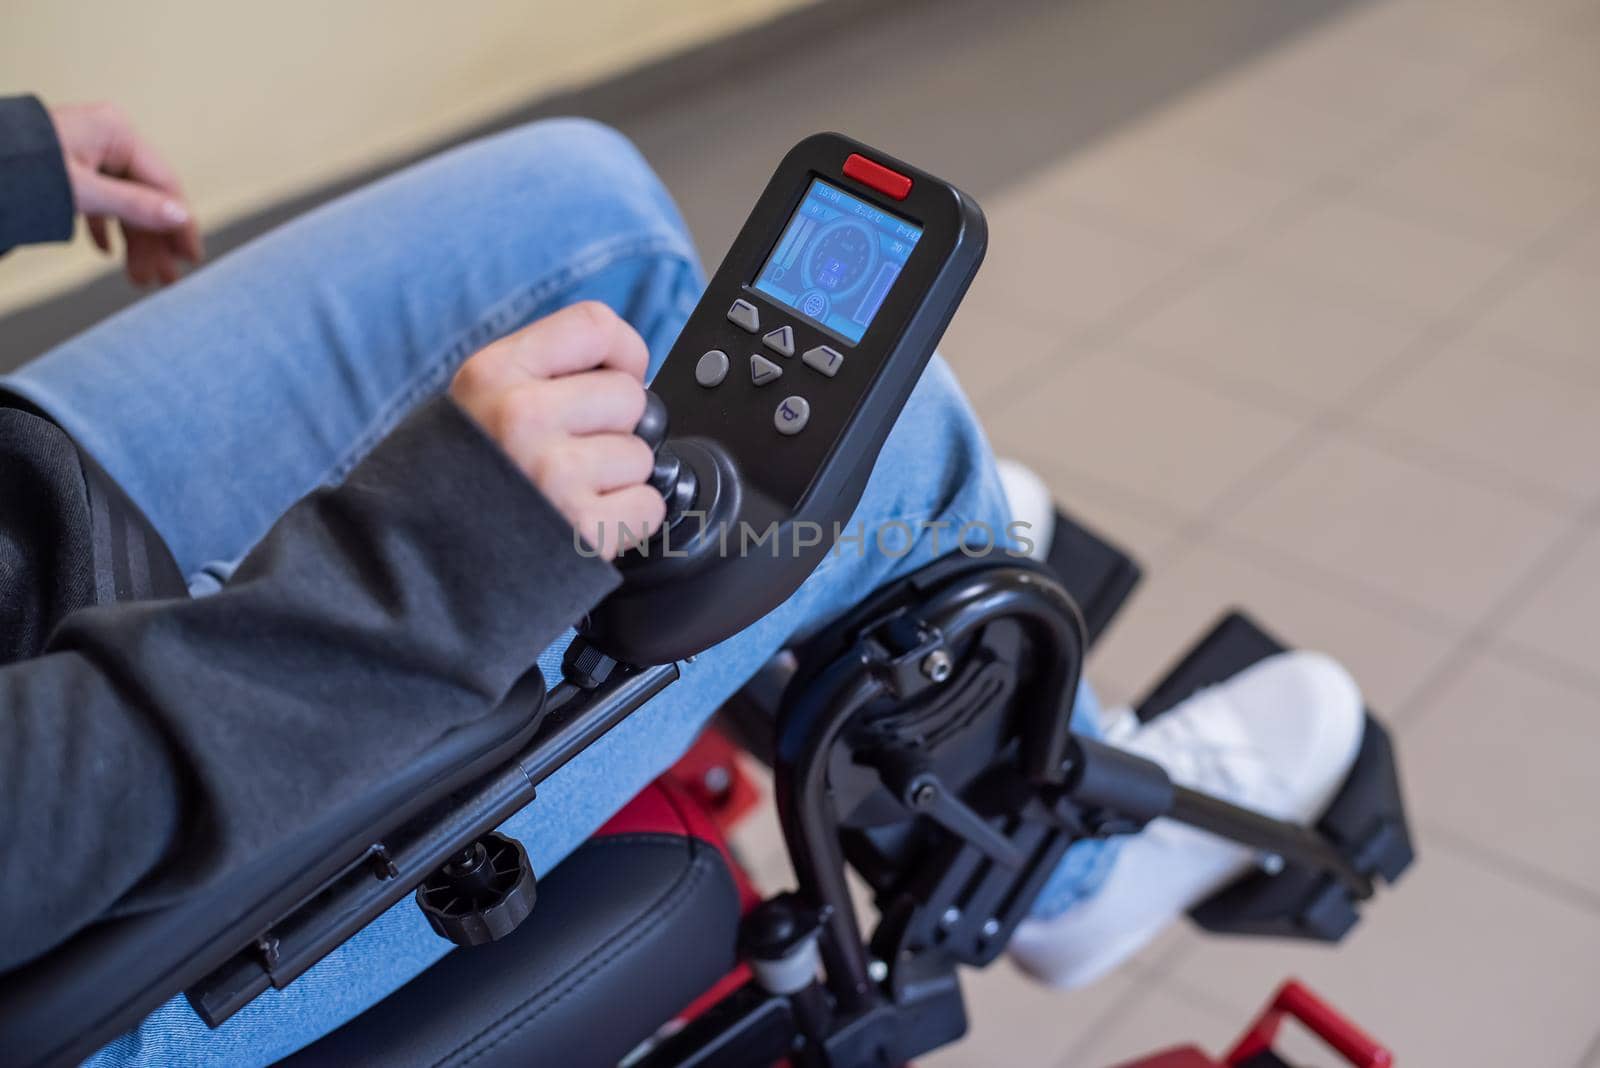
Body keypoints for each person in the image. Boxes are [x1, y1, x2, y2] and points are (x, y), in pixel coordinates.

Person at [0, 94, 1366, 1066]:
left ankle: (892, 559)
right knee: (880, 440)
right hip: (64, 888)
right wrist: (425, 574)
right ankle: (1075, 871)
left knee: (573, 195)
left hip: (22, 543)